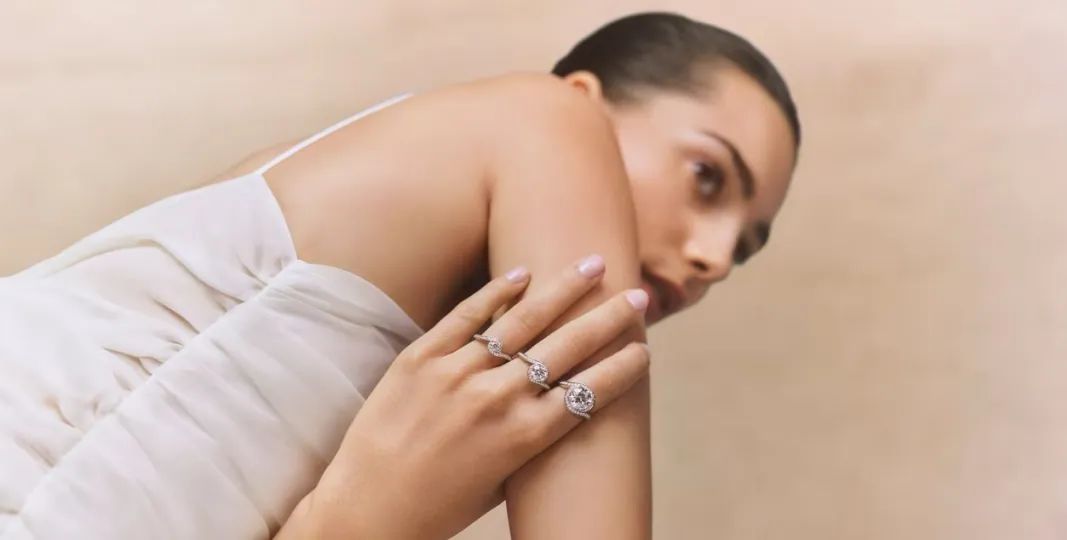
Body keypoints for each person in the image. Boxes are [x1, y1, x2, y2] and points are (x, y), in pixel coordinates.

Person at [0, 11, 800, 540]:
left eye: (745, 247)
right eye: (707, 177)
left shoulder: (442, 392)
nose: (715, 258)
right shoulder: (548, 118)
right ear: (587, 96)